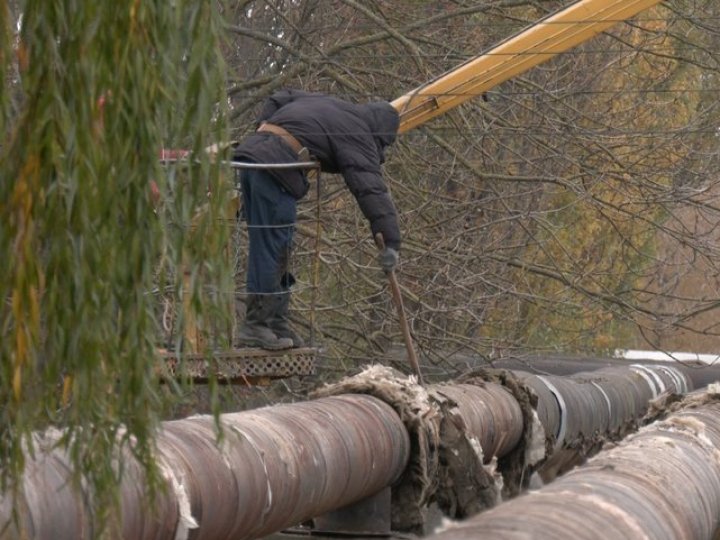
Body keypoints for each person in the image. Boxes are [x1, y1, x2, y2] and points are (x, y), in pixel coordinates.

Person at [233, 88, 402, 350]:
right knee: (273, 249)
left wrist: (263, 128)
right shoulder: (357, 132)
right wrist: (391, 242)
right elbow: (371, 189)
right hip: (276, 168)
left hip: (251, 161)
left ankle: (275, 323)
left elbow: (279, 96)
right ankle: (256, 326)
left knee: (278, 247)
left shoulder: (327, 103)